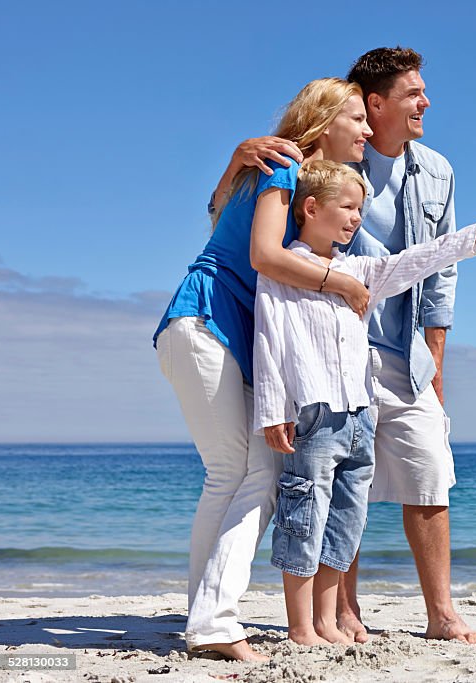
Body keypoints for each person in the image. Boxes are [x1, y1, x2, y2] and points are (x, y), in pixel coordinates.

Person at [226, 46, 476, 644]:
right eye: (413, 93)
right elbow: (261, 239)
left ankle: (441, 614)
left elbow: (432, 272)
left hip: (402, 352)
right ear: (374, 103)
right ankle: (337, 613)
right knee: (331, 485)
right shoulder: (326, 165)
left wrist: (436, 360)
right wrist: (238, 159)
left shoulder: (438, 172)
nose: (426, 102)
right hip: (329, 352)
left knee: (425, 471)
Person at [153, 78, 373, 661]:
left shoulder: (296, 180)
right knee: (254, 475)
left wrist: (230, 164)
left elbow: (218, 213)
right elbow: (261, 257)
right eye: (356, 118)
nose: (368, 130)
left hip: (207, 329)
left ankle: (206, 617)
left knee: (230, 475)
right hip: (208, 321)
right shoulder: (285, 168)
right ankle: (215, 623)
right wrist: (342, 282)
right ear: (324, 122)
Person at [252, 159, 476, 645]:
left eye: (360, 209)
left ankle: (328, 621)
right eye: (348, 208)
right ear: (310, 208)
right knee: (303, 515)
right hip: (314, 414)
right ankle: (299, 625)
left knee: (346, 520)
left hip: (360, 414)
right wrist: (273, 411)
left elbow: (413, 260)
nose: (356, 219)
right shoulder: (285, 271)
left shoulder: (357, 269)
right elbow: (269, 343)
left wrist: (472, 237)